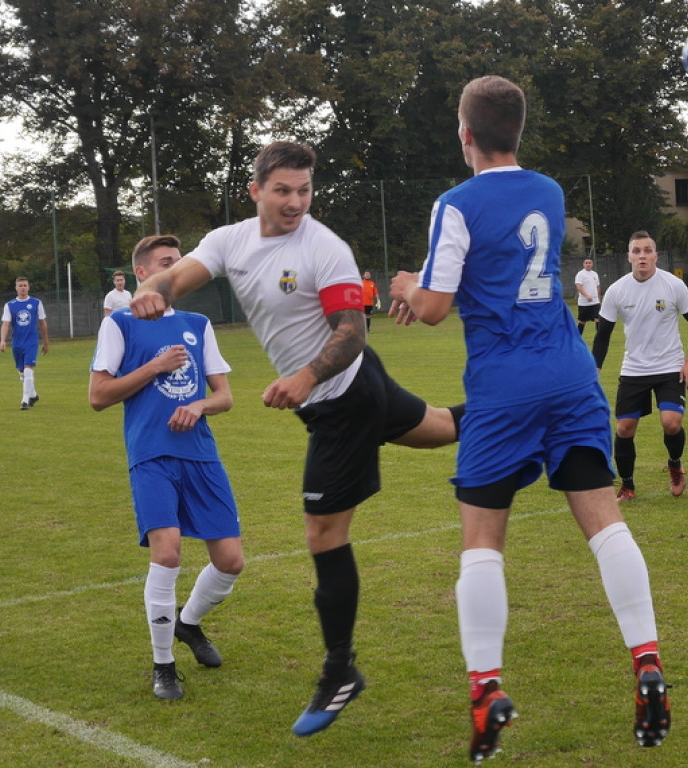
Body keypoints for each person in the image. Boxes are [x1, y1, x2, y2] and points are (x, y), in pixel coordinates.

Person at [129, 140, 462, 736]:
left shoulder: (324, 247)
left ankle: (340, 670)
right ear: (255, 190)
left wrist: (305, 378)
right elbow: (177, 275)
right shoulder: (230, 240)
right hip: (355, 389)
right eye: (283, 190)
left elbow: (351, 330)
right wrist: (154, 291)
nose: (295, 202)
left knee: (323, 533)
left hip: (344, 400)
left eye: (304, 190)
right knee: (440, 427)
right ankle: (527, 411)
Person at [388, 75, 669, 763]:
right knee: (606, 524)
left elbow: (434, 308)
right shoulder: (549, 191)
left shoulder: (454, 204)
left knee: (482, 542)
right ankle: (647, 661)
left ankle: (486, 687)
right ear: (518, 131)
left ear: (465, 135)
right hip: (570, 375)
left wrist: (407, 287)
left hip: (504, 385)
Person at [89, 234, 244, 701]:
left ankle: (188, 623)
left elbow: (224, 396)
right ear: (142, 275)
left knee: (231, 561)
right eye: (165, 263)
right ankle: (164, 665)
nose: (175, 270)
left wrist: (199, 406)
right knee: (168, 553)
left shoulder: (198, 323)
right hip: (151, 453)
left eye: (179, 263)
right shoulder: (120, 323)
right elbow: (98, 396)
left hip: (201, 454)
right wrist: (154, 367)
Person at [592, 231, 688, 502]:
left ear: (656, 255)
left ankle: (675, 466)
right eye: (636, 251)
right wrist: (594, 370)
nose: (642, 256)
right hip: (634, 369)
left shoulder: (673, 285)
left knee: (671, 423)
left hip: (670, 366)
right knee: (624, 429)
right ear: (629, 256)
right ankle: (627, 486)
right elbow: (603, 335)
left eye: (647, 250)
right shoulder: (617, 290)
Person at [0, 276, 49, 410]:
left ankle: (25, 401)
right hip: (17, 343)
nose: (23, 288)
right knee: (22, 372)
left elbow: (43, 323)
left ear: (29, 287)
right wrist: (3, 340)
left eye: (25, 285)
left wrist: (46, 342)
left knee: (28, 370)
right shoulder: (10, 305)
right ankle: (33, 395)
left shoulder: (36, 303)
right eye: (20, 286)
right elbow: (6, 324)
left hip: (31, 342)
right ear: (16, 288)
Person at [574, 257, 601, 336]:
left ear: (592, 264)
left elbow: (597, 286)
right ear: (583, 264)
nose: (588, 264)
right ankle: (577, 338)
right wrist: (586, 296)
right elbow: (579, 286)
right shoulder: (580, 274)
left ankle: (599, 337)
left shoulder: (595, 274)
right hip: (584, 303)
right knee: (582, 321)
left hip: (595, 302)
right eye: (586, 263)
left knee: (598, 319)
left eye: (590, 263)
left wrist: (598, 298)